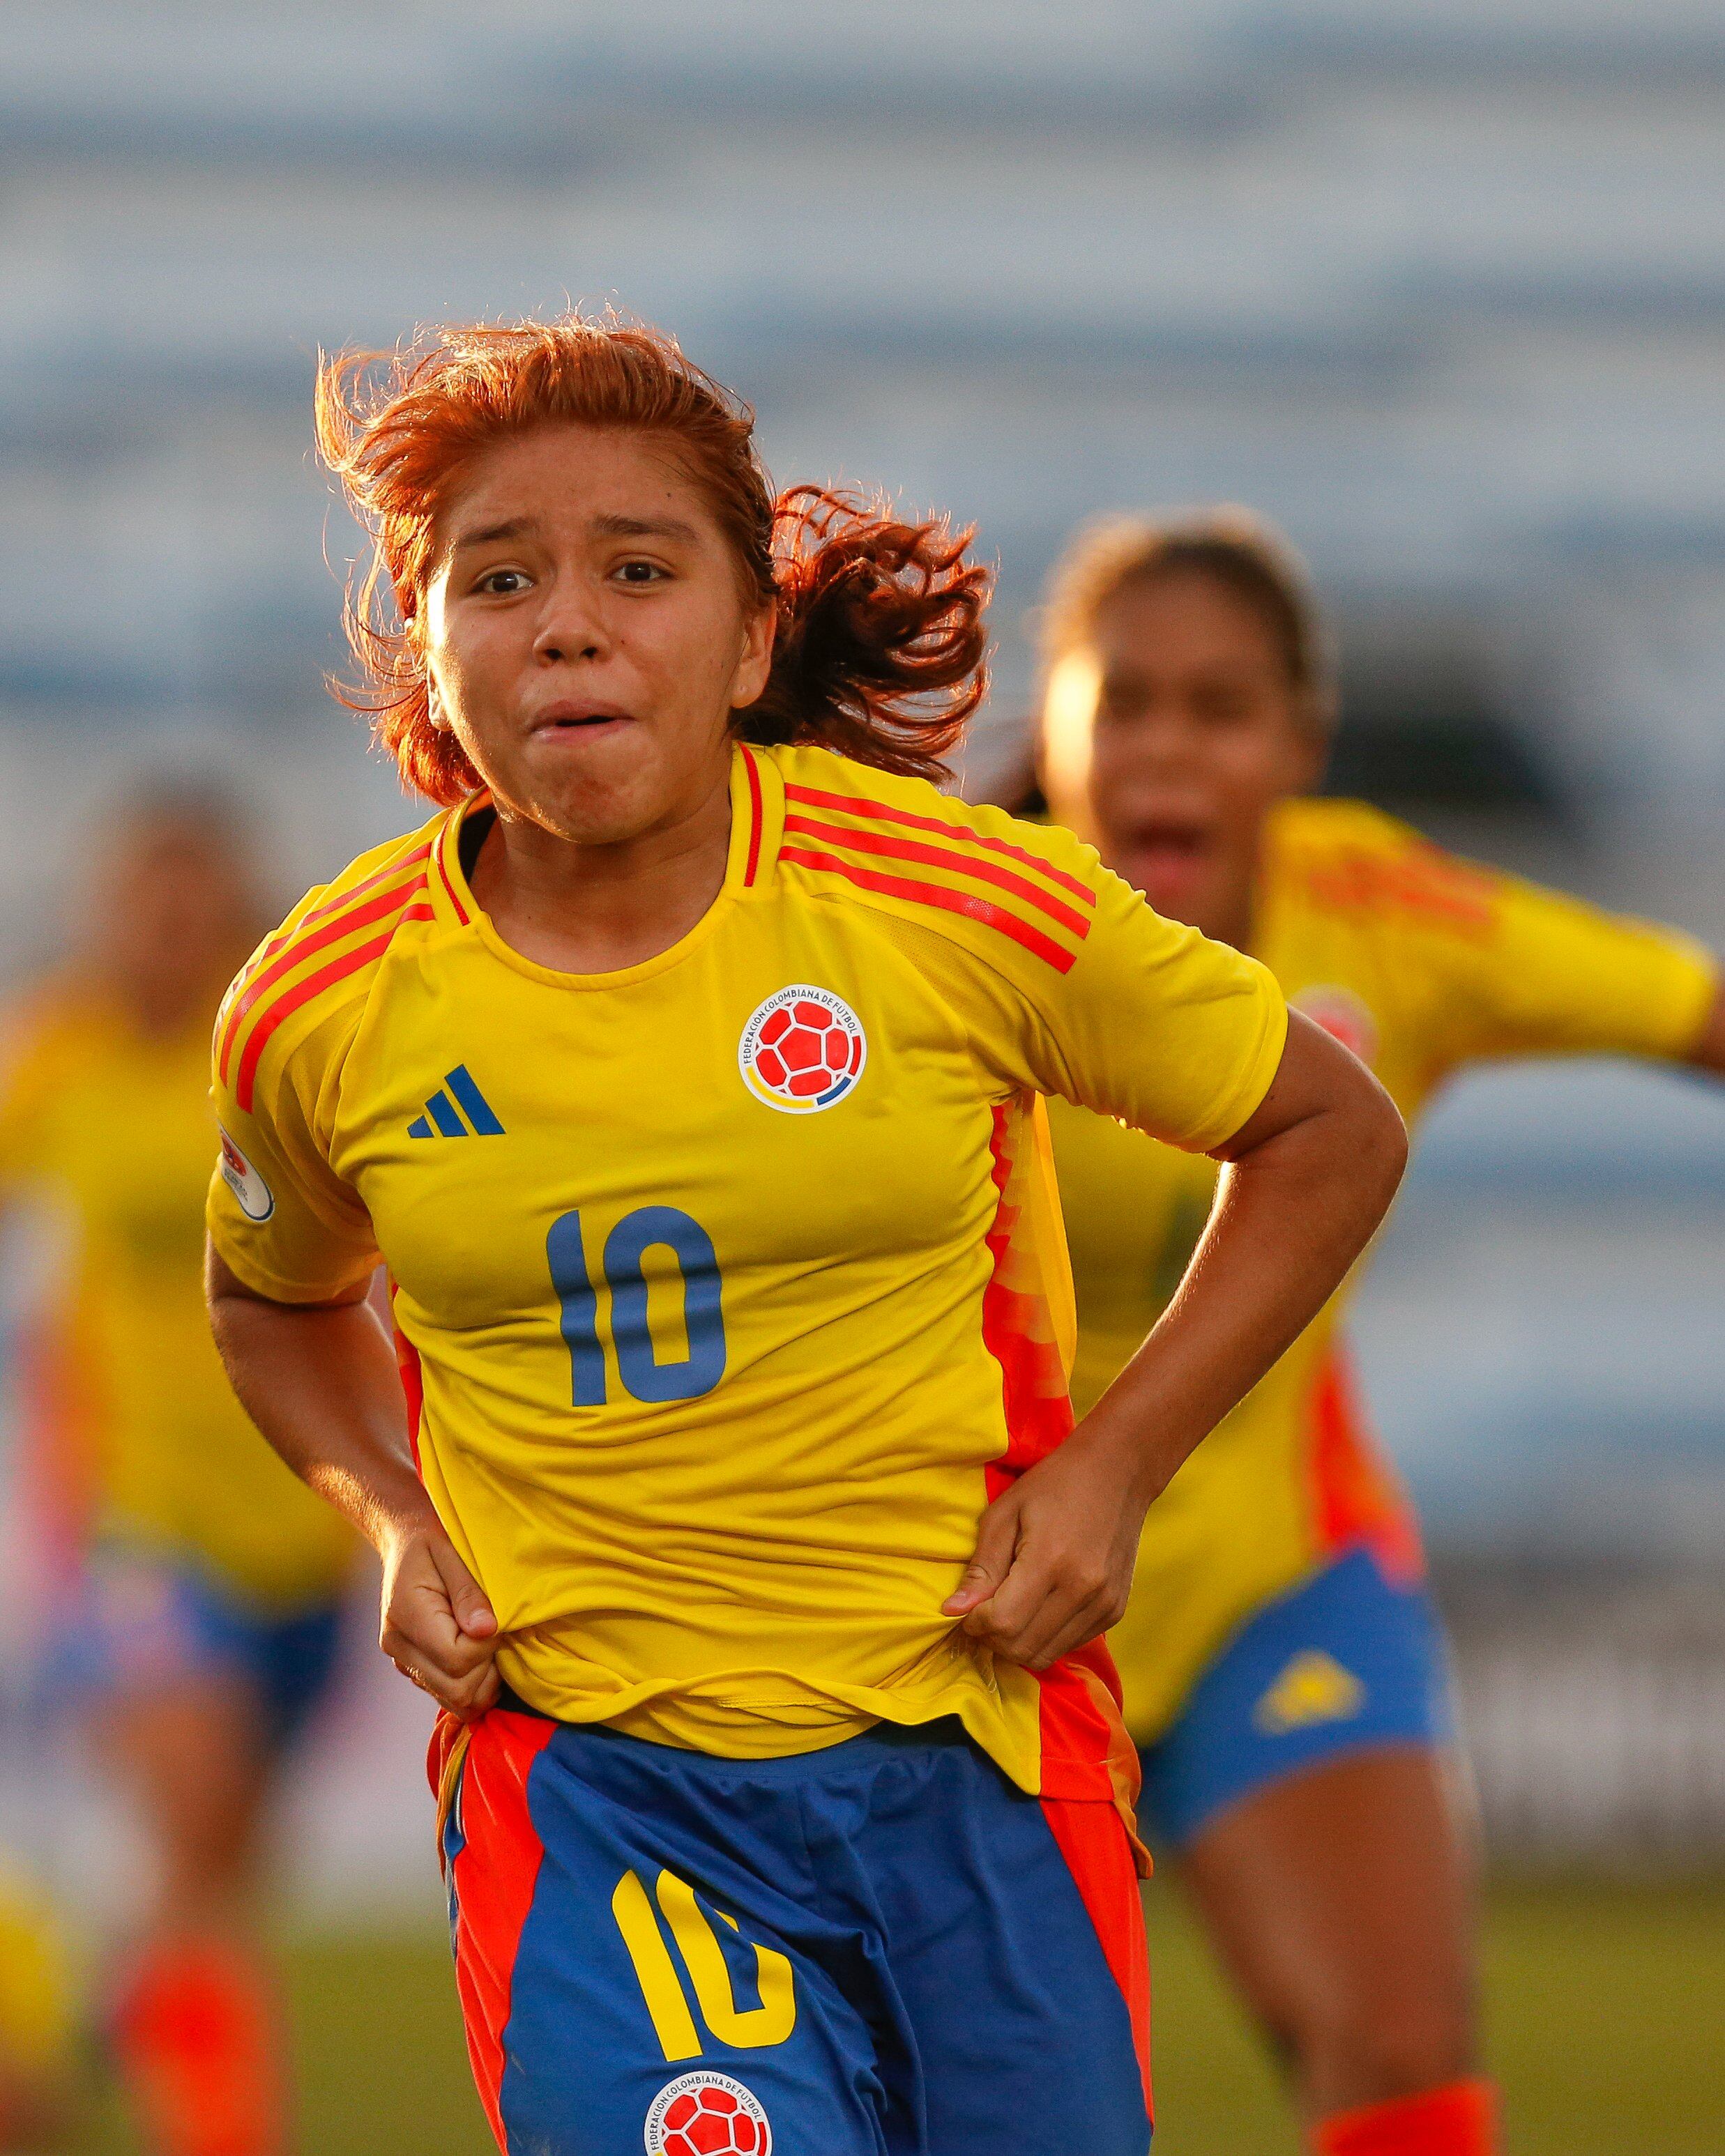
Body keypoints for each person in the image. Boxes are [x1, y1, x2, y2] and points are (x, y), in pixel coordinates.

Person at [202, 314, 1405, 2156]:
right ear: (430, 654)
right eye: (498, 577)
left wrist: (1114, 1467)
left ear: (753, 630)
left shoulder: (943, 898)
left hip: (978, 1752)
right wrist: (394, 1510)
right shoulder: (323, 999)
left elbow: (1328, 1126)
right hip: (597, 1784)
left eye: (638, 569)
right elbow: (268, 1302)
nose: (568, 622)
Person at [1023, 508, 1725, 2156]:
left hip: (1273, 1573)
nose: (1167, 746)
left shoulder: (1388, 915)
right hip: (978, 1616)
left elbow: (1692, 1010)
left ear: (1297, 744)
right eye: (1124, 701)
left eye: (1220, 706)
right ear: (1047, 723)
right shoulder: (933, 922)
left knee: (1404, 2057)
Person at [0, 790, 359, 2156]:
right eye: (144, 895)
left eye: (192, 896)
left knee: (215, 1877)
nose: (164, 925)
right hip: (138, 1526)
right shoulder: (59, 1064)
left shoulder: (288, 1063)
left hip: (308, 1535)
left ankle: (89, 2003)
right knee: (196, 1807)